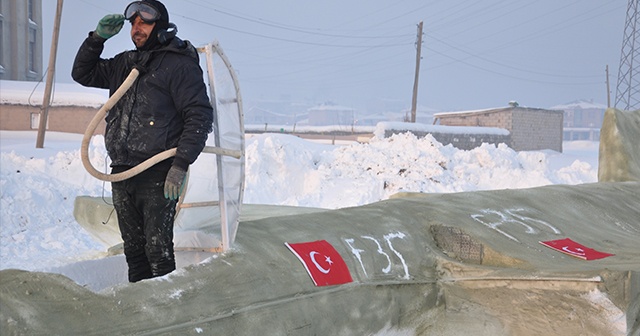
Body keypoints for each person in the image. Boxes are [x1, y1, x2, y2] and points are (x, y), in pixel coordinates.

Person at [72, 0, 214, 282]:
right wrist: (96, 40)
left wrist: (181, 163)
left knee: (157, 251)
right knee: (134, 252)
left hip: (158, 173)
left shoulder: (178, 65)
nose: (137, 29)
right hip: (123, 171)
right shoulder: (125, 63)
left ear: (160, 26)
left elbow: (199, 116)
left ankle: (168, 311)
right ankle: (143, 308)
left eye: (144, 23)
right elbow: (83, 74)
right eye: (133, 24)